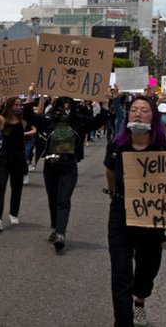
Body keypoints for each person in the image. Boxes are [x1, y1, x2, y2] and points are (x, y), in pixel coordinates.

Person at [105, 97, 166, 327]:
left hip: (152, 220)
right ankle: (123, 322)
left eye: (144, 110)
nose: (138, 114)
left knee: (147, 268)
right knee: (121, 275)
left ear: (153, 116)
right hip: (121, 216)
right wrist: (117, 196)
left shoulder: (163, 149)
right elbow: (110, 172)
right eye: (133, 110)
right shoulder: (117, 147)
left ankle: (140, 301)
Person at [30, 93, 110, 252]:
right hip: (51, 165)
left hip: (69, 165)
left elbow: (97, 122)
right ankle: (55, 226)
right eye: (62, 107)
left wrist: (105, 105)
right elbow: (29, 116)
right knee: (53, 198)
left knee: (63, 199)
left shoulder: (79, 121)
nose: (65, 110)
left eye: (68, 107)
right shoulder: (47, 120)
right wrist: (31, 95)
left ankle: (60, 233)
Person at [0, 96, 35, 231]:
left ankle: (13, 213)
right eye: (16, 105)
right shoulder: (2, 120)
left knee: (17, 187)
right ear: (10, 106)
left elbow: (31, 108)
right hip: (4, 158)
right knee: (0, 187)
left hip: (18, 158)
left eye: (20, 105)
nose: (19, 107)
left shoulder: (23, 120)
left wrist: (30, 92)